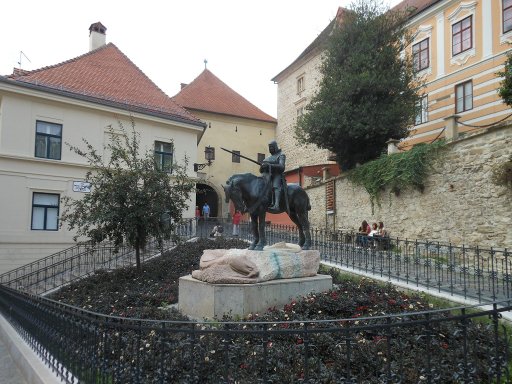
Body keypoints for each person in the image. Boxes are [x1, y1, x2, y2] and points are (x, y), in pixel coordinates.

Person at [259, 140, 286, 211]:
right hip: (267, 176)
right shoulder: (267, 158)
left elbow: (281, 167)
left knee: (275, 186)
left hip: (277, 174)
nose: (270, 149)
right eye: (269, 147)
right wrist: (263, 167)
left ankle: (276, 205)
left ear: (275, 147)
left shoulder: (281, 155)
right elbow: (261, 170)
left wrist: (270, 165)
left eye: (271, 147)